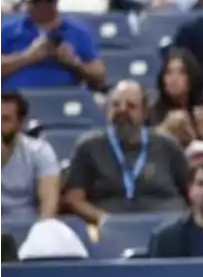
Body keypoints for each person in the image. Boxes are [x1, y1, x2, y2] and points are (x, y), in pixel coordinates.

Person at [63, 81, 190, 225]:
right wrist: (104, 220)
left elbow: (191, 191)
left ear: (144, 112)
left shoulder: (167, 145)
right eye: (116, 105)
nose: (122, 111)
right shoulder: (88, 146)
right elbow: (73, 199)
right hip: (110, 226)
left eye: (131, 106)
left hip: (167, 224)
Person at [0, 0, 106, 92]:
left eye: (48, 0)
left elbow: (100, 78)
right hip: (14, 106)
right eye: (37, 1)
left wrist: (74, 62)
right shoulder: (7, 30)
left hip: (63, 105)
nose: (42, 6)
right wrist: (27, 57)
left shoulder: (78, 31)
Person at [0, 92, 61, 221]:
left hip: (27, 227)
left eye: (5, 119)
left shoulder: (40, 151)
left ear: (21, 122)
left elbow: (49, 204)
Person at [149, 48, 203, 147]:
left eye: (181, 73)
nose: (174, 78)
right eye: (168, 73)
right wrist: (165, 129)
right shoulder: (151, 112)